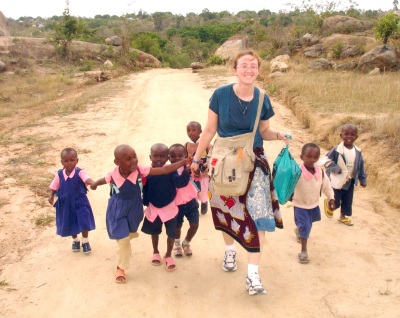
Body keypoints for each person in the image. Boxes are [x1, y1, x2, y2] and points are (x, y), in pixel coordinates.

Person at [190, 50, 291, 296]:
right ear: (235, 69)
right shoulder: (220, 95)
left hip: (254, 163)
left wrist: (279, 136)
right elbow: (210, 130)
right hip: (224, 163)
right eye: (244, 65)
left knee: (260, 216)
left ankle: (253, 275)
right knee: (227, 209)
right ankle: (230, 252)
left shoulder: (263, 98)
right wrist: (197, 158)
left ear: (258, 70)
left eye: (253, 66)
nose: (249, 70)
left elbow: (264, 131)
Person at [90, 144, 191, 283]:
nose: (133, 161)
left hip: (134, 210)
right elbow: (103, 180)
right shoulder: (113, 174)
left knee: (128, 235)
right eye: (128, 159)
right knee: (124, 239)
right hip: (118, 209)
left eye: (135, 157)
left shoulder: (140, 170)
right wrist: (94, 184)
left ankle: (125, 242)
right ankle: (120, 267)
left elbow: (163, 170)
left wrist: (183, 162)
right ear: (117, 162)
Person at [141, 143, 191, 272]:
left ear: (167, 158)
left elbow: (180, 183)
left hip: (169, 208)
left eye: (162, 156)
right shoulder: (147, 172)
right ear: (150, 156)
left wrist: (186, 172)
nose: (158, 159)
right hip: (154, 207)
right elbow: (145, 188)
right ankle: (155, 252)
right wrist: (145, 200)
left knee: (171, 233)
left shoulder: (170, 170)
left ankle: (168, 255)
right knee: (154, 232)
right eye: (155, 156)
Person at [292, 143, 335, 264]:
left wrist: (331, 198)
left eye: (315, 157)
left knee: (308, 223)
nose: (312, 160)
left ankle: (299, 231)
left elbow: (326, 186)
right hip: (300, 205)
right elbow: (289, 185)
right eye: (308, 156)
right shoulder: (297, 172)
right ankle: (303, 251)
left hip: (314, 204)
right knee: (306, 226)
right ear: (301, 156)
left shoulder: (320, 172)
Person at [48, 147, 95, 254]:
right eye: (66, 161)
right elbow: (54, 186)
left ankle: (85, 241)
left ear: (77, 161)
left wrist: (92, 183)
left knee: (84, 221)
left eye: (72, 160)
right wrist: (51, 195)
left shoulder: (80, 172)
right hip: (66, 205)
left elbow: (86, 178)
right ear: (62, 162)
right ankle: (75, 240)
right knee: (70, 222)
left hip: (80, 202)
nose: (69, 163)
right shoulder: (59, 174)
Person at [324, 124, 367, 226]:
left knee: (348, 201)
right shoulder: (337, 150)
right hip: (337, 180)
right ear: (341, 135)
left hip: (349, 181)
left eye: (352, 135)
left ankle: (342, 217)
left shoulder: (358, 151)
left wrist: (363, 179)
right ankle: (329, 204)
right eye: (346, 134)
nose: (349, 136)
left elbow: (360, 166)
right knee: (336, 201)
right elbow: (326, 160)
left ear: (356, 137)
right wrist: (336, 169)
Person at [169, 143, 200, 257]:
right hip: (177, 204)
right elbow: (179, 183)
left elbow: (198, 176)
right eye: (173, 156)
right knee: (177, 226)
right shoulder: (170, 171)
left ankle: (186, 243)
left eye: (180, 155)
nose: (177, 158)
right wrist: (187, 171)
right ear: (169, 158)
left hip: (191, 202)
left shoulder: (190, 166)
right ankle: (177, 245)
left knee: (195, 225)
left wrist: (197, 170)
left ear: (186, 155)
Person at [185, 121, 212, 214]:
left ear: (200, 132)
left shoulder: (206, 143)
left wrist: (207, 167)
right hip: (192, 175)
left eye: (193, 130)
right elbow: (184, 158)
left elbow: (211, 155)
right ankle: (195, 207)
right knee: (193, 191)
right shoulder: (187, 145)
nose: (191, 132)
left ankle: (204, 204)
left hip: (203, 174)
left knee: (203, 190)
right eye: (188, 130)